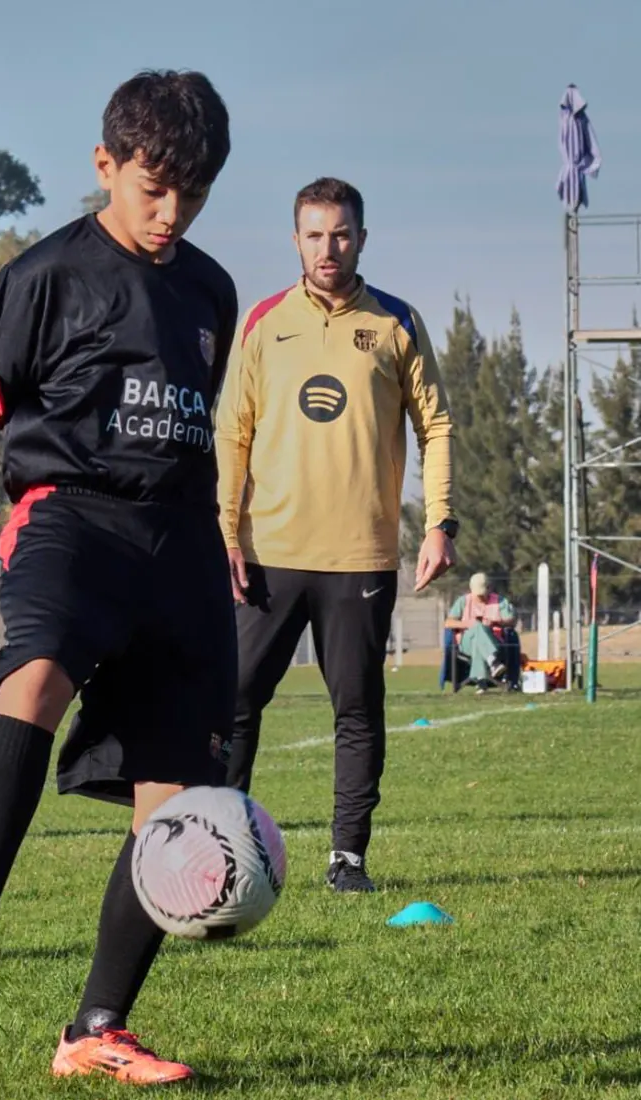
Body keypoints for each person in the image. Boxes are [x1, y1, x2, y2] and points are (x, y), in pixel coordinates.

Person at [0, 70, 238, 1085]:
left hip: (177, 545)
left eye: (194, 193)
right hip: (68, 521)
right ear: (105, 166)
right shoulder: (43, 275)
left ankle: (98, 1025)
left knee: (174, 790)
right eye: (152, 188)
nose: (172, 213)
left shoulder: (210, 290)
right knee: (34, 673)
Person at [214, 177, 457, 893]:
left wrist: (438, 520)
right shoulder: (264, 322)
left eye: (342, 234)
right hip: (267, 553)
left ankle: (347, 857)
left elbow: (436, 427)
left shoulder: (396, 322)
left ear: (361, 238)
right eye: (315, 235)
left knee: (356, 709)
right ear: (296, 240)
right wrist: (224, 529)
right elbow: (233, 432)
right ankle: (224, 846)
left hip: (359, 556)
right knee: (232, 704)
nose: (329, 248)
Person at [444, 572, 516, 690]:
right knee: (477, 626)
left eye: (483, 594)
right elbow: (448, 623)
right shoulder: (463, 601)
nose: (480, 597)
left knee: (478, 639)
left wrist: (496, 622)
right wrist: (467, 624)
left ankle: (481, 682)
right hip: (466, 642)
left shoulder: (500, 601)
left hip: (494, 640)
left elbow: (511, 621)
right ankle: (493, 662)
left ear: (489, 588)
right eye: (478, 594)